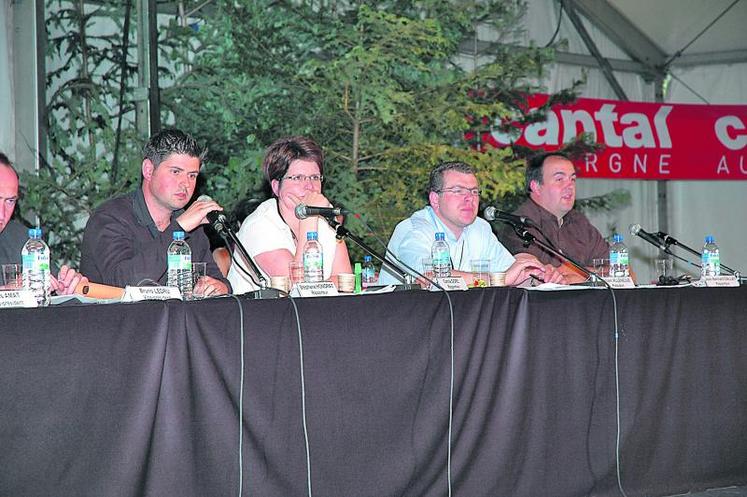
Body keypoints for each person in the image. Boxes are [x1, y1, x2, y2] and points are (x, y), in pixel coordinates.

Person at [80, 129, 230, 296]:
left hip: (177, 320)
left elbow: (219, 281)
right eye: (176, 172)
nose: (185, 184)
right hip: (120, 320)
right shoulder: (109, 218)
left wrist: (219, 287)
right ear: (149, 170)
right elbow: (123, 283)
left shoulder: (191, 227)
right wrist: (178, 228)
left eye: (192, 175)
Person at [378, 161, 566, 286]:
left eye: (474, 192)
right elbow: (428, 278)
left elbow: (511, 274)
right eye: (459, 191)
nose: (470, 199)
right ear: (435, 199)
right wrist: (499, 278)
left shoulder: (479, 228)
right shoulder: (414, 230)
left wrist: (540, 277)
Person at [226, 136, 352, 293]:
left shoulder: (324, 216)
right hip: (261, 315)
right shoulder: (259, 226)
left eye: (314, 177)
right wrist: (308, 219)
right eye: (298, 178)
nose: (309, 186)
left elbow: (346, 281)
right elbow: (298, 291)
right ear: (276, 186)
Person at [498, 152, 609, 283]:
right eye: (559, 179)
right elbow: (535, 280)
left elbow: (623, 271)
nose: (570, 186)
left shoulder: (579, 222)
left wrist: (575, 272)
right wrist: (589, 275)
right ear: (536, 187)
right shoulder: (519, 225)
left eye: (572, 179)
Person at [0, 152, 87, 294]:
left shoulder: (20, 239)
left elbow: (54, 283)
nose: (2, 214)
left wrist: (67, 287)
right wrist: (7, 293)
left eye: (10, 201)